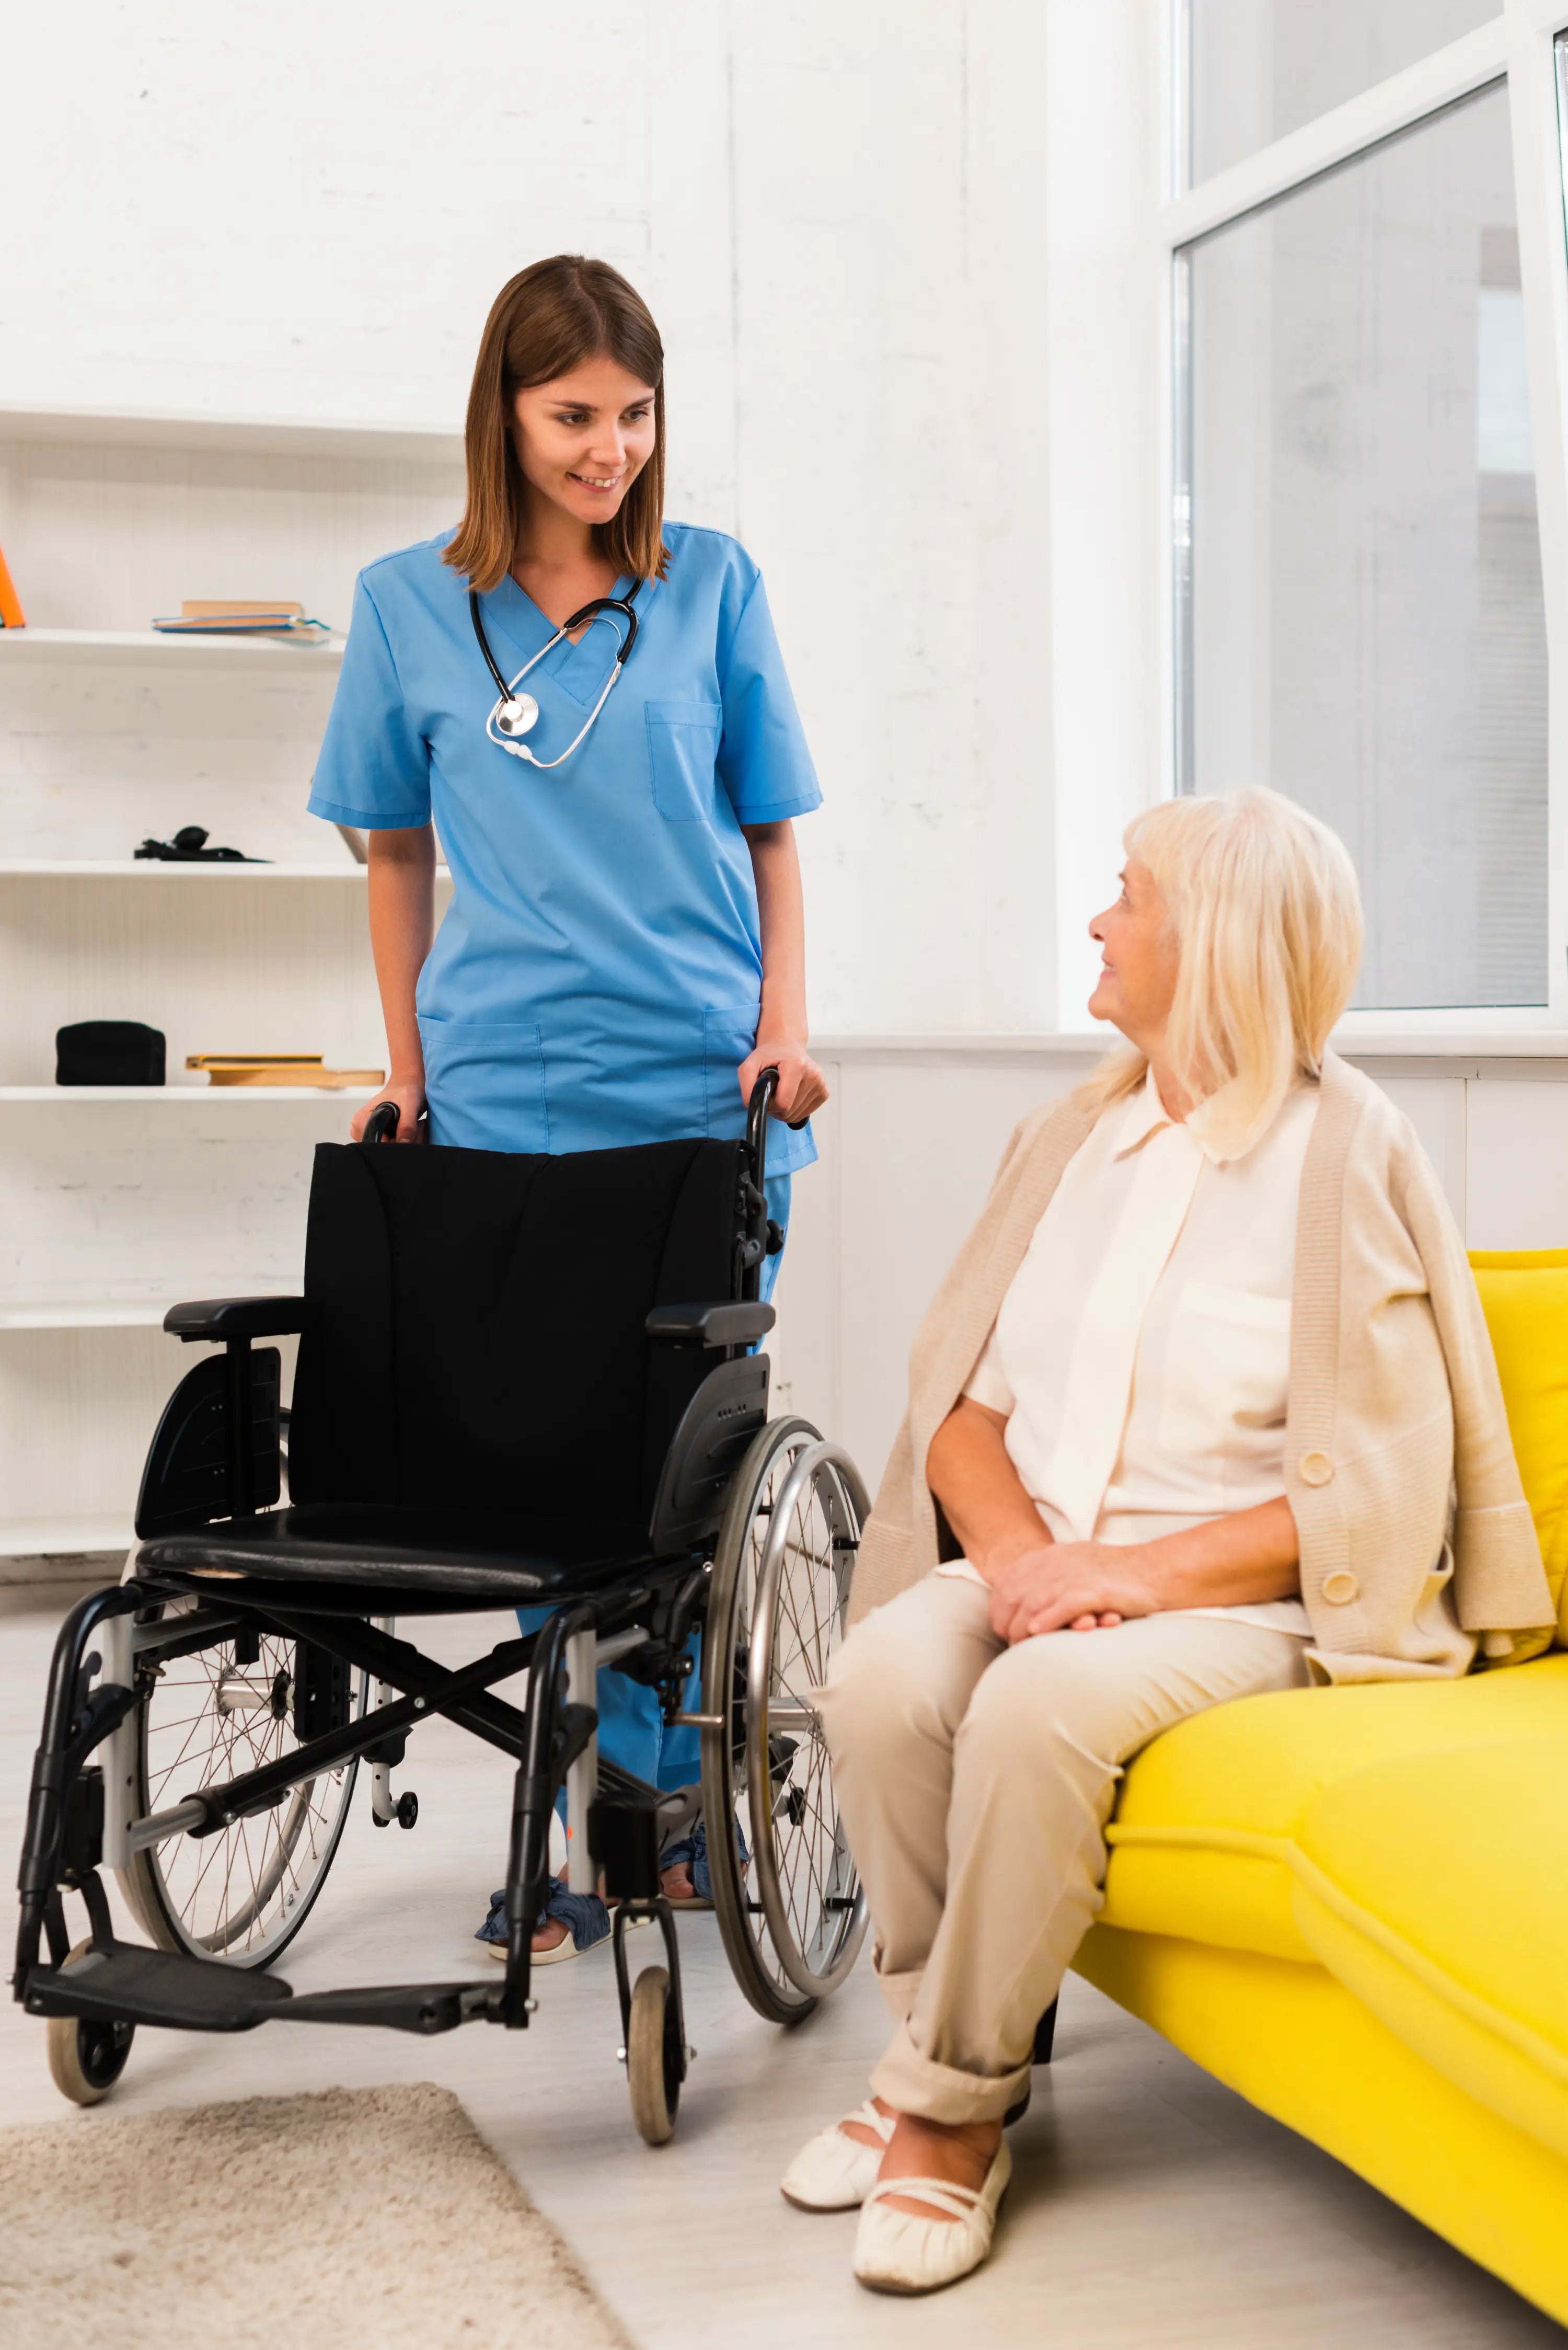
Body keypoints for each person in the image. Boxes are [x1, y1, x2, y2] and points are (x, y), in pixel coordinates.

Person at [782, 787, 1553, 2295]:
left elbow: (1376, 1496)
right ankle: (945, 2041)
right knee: (880, 1683)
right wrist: (1018, 1567)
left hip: (1254, 1601)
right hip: (1047, 1567)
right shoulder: (1076, 1134)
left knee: (1036, 1710)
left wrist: (1125, 1579)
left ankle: (942, 2115)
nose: (1097, 920)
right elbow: (961, 1411)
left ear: (1213, 943)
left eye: (1127, 895)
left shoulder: (1346, 1156)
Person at [308, 254, 827, 1955]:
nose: (609, 448)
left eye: (633, 414)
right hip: (501, 1092)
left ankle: (652, 1823)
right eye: (573, 417)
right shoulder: (406, 606)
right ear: (506, 418)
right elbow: (395, 852)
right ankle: (542, 1844)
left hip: (696, 1088)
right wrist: (405, 1069)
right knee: (522, 1471)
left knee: (667, 1492)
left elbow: (771, 836)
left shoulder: (711, 587)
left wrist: (787, 1029)